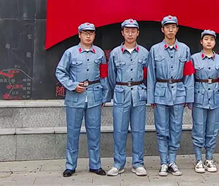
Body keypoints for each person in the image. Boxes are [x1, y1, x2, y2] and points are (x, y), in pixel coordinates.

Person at [56, 22, 110, 178]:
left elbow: (104, 75)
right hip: (75, 97)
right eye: (85, 33)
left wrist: (105, 95)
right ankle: (70, 166)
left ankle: (95, 165)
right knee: (73, 133)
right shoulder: (70, 53)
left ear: (94, 35)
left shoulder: (99, 53)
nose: (88, 36)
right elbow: (60, 72)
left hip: (94, 95)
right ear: (79, 35)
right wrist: (72, 86)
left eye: (91, 33)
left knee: (94, 132)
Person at [147, 15, 195, 177]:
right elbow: (151, 74)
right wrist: (151, 97)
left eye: (173, 27)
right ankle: (163, 162)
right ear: (162, 29)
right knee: (161, 129)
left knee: (176, 128)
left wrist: (188, 97)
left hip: (179, 91)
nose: (170, 30)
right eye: (167, 27)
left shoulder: (185, 49)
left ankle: (172, 161)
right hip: (160, 91)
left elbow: (188, 74)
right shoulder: (155, 50)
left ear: (177, 29)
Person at [106, 19, 149, 177]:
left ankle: (138, 163)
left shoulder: (144, 53)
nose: (130, 34)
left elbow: (148, 75)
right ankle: (118, 163)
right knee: (119, 130)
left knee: (138, 130)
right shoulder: (115, 53)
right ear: (122, 33)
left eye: (133, 31)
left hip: (138, 93)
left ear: (138, 33)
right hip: (121, 92)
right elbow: (111, 76)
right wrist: (118, 88)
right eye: (127, 31)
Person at [191, 29, 219, 174]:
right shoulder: (194, 59)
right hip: (199, 97)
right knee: (198, 129)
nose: (209, 42)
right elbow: (189, 80)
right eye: (206, 39)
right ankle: (198, 159)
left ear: (215, 42)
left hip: (216, 97)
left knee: (213, 129)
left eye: (211, 39)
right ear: (201, 41)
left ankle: (209, 158)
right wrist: (190, 100)